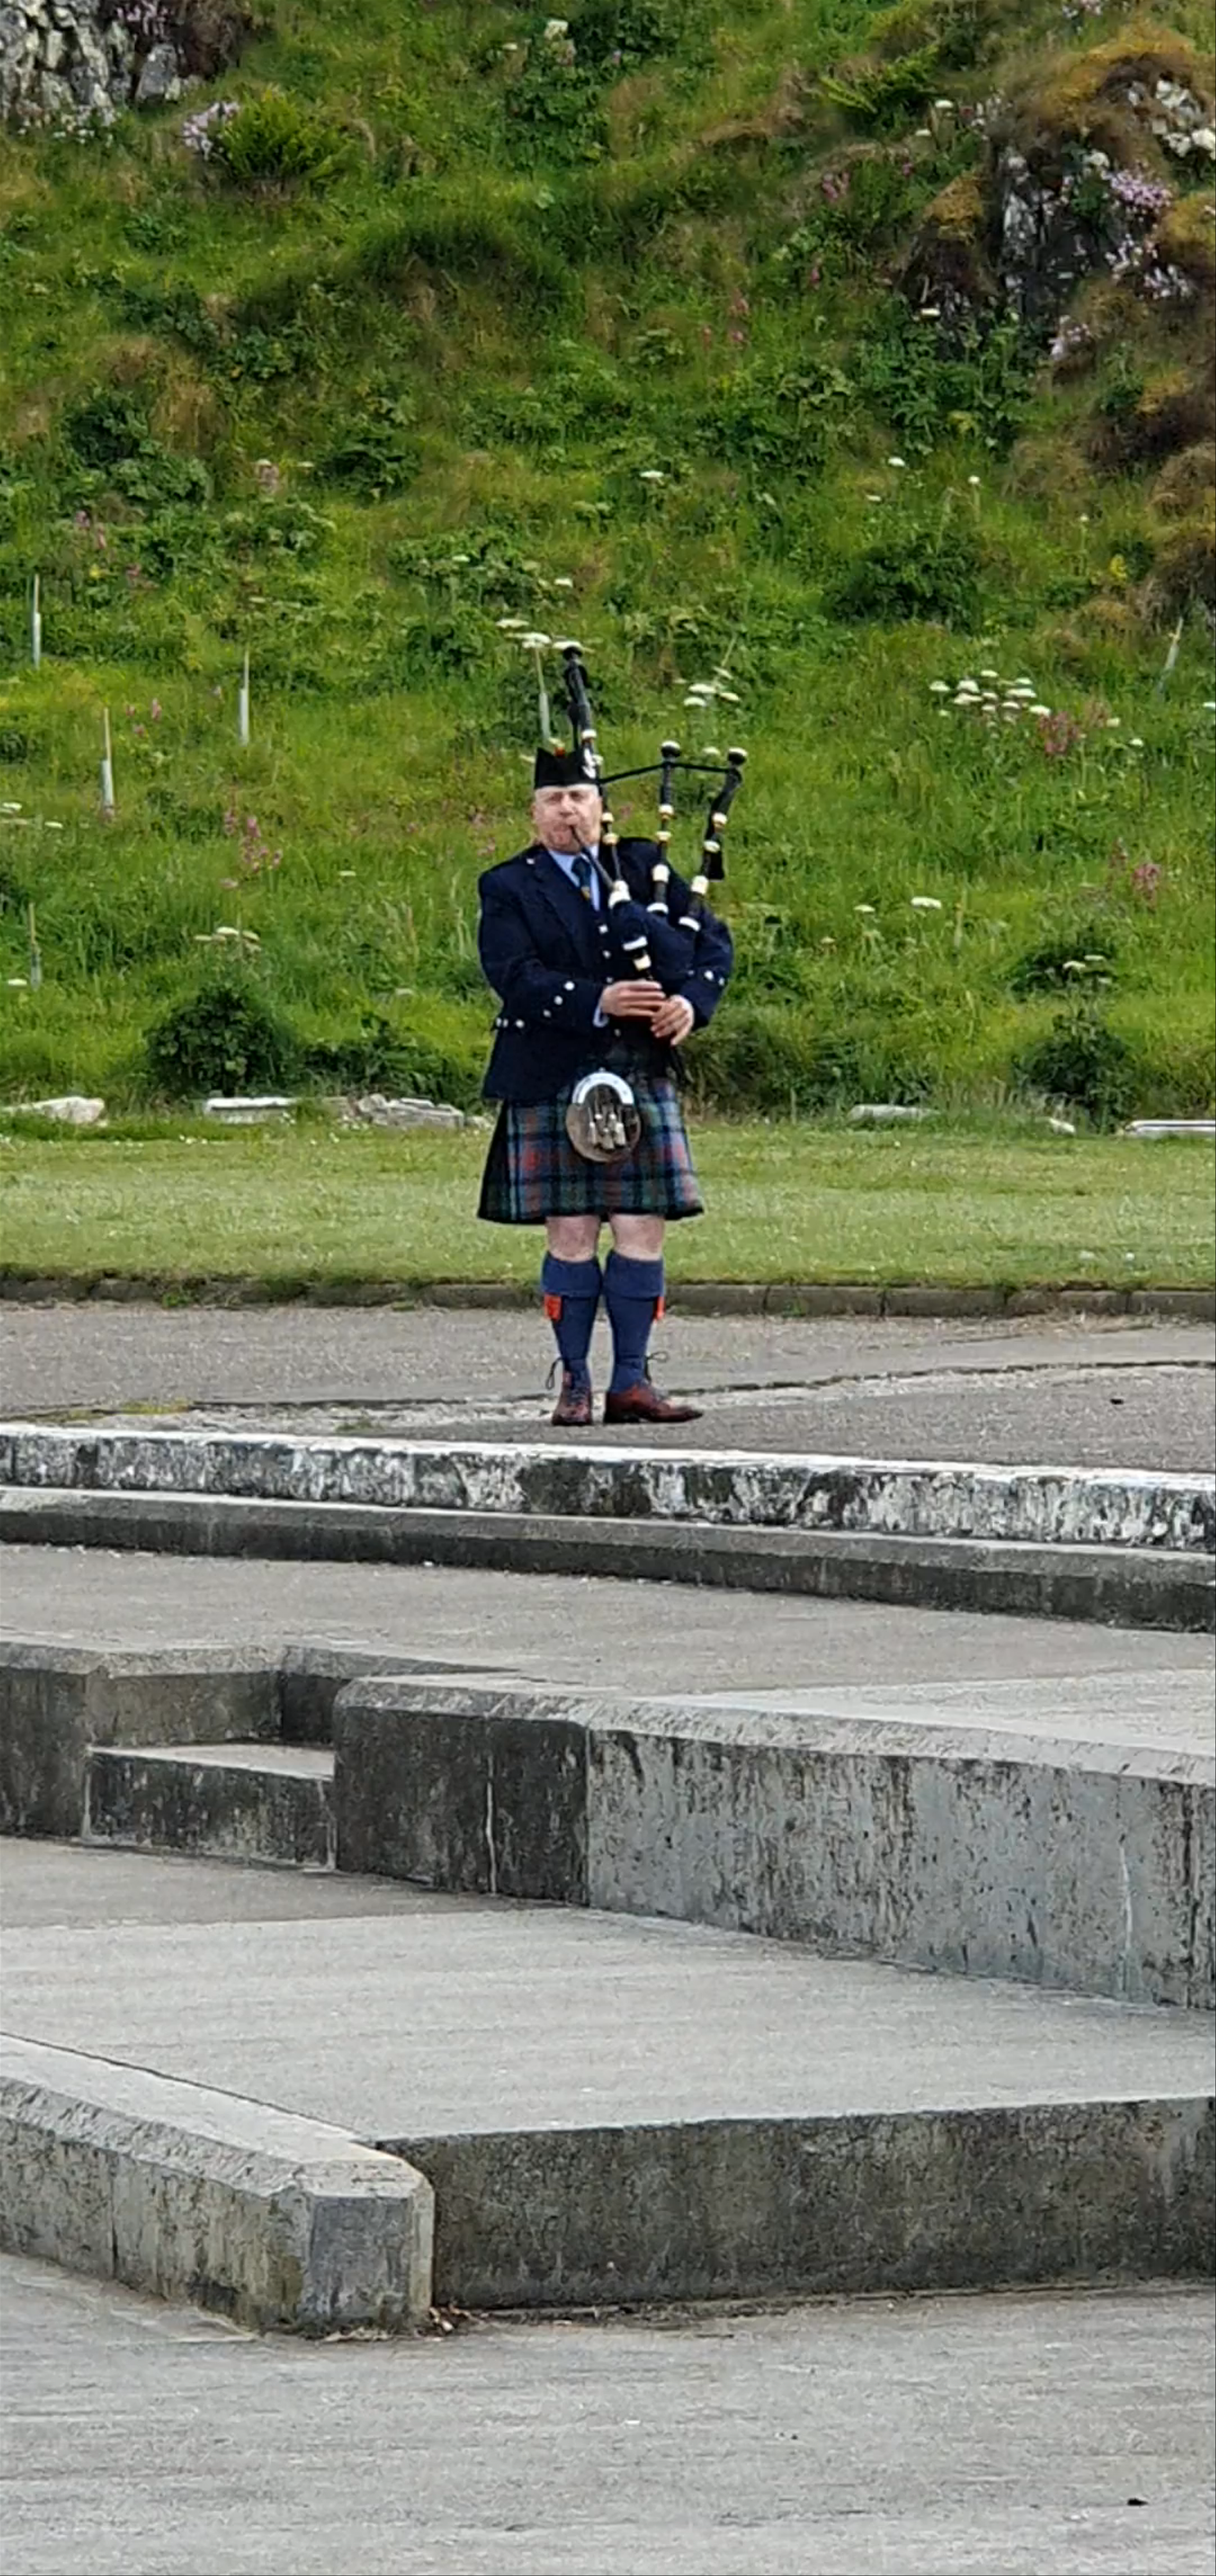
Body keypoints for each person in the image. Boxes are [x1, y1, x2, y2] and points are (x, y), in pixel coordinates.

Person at [477, 745, 733, 1426]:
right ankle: (575, 1382)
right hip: (552, 1071)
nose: (568, 810)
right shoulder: (508, 886)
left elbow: (713, 946)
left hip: (638, 1065)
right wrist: (600, 999)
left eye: (579, 797)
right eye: (554, 800)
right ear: (534, 814)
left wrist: (691, 1004)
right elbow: (514, 976)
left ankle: (631, 1382)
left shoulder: (645, 867)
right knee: (571, 1231)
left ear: (600, 806)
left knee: (642, 1226)